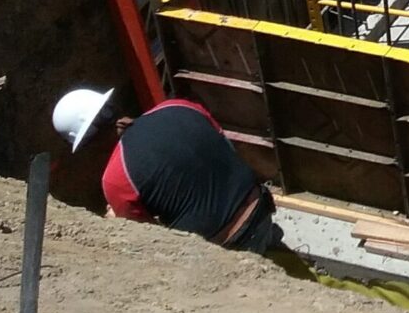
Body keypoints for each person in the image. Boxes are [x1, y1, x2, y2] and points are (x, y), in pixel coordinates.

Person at [52, 87, 282, 253]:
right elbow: (225, 148)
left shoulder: (116, 179)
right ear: (112, 106)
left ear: (88, 142)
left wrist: (118, 221)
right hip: (261, 209)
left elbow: (152, 241)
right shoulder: (179, 106)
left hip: (229, 247)